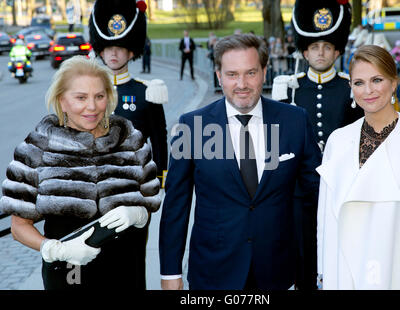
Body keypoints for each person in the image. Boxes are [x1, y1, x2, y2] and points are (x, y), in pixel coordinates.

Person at [159, 33, 322, 290]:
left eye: (250, 73)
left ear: (265, 72)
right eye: (232, 74)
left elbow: (318, 197)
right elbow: (176, 204)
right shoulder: (190, 126)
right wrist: (170, 272)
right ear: (218, 76)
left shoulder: (296, 121)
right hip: (212, 274)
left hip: (279, 272)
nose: (242, 84)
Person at [0, 56, 161, 289]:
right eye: (81, 98)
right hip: (68, 274)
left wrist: (139, 214)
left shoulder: (131, 140)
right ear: (62, 100)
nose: (92, 107)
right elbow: (18, 226)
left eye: (99, 96)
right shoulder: (36, 149)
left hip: (126, 272)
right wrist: (55, 249)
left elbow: (149, 201)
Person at [317, 45, 400, 290]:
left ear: (394, 82)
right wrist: (324, 271)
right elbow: (325, 216)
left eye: (377, 80)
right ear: (351, 88)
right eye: (359, 82)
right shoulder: (338, 140)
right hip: (345, 273)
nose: (368, 90)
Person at [271, 0, 364, 291]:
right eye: (314, 47)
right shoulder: (289, 87)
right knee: (303, 252)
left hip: (341, 185)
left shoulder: (351, 87)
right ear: (304, 51)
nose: (320, 53)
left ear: (338, 50)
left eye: (327, 47)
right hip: (299, 188)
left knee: (339, 249)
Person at [89, 0, 168, 186]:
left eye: (120, 48)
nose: (113, 54)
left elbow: (158, 139)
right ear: (101, 52)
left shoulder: (148, 92)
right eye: (108, 48)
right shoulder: (89, 92)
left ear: (131, 53)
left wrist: (158, 179)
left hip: (137, 182)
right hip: (96, 182)